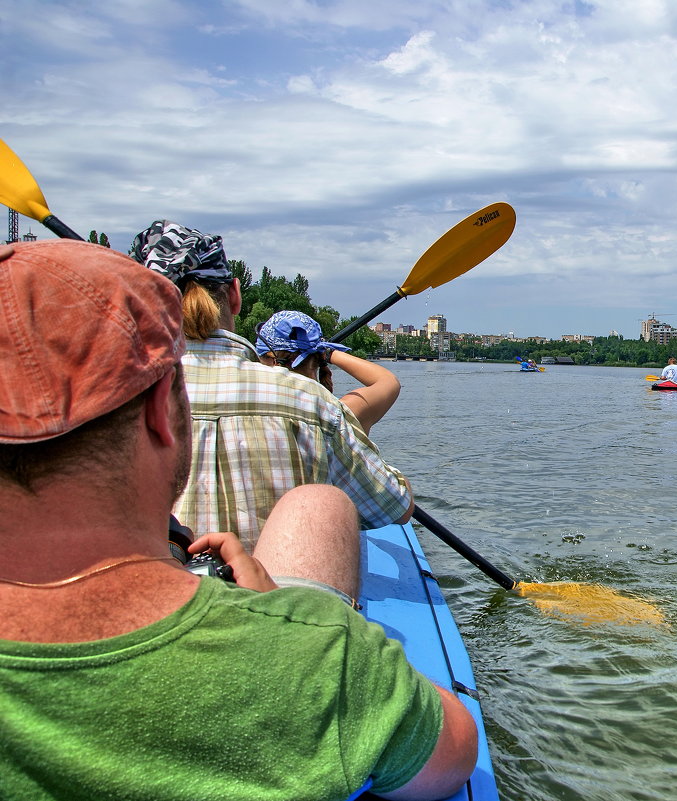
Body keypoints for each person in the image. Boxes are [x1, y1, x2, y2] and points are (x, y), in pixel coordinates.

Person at [0, 239, 477, 800]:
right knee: (316, 506)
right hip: (282, 639)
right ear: (163, 414)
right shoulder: (320, 654)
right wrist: (299, 623)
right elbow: (454, 753)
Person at [129, 220, 412, 552]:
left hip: (165, 591)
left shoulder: (115, 399)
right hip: (276, 594)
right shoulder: (314, 403)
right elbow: (397, 506)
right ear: (235, 295)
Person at [256, 310, 401, 433]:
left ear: (273, 361)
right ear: (318, 359)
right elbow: (389, 381)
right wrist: (328, 353)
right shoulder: (338, 416)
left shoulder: (248, 419)